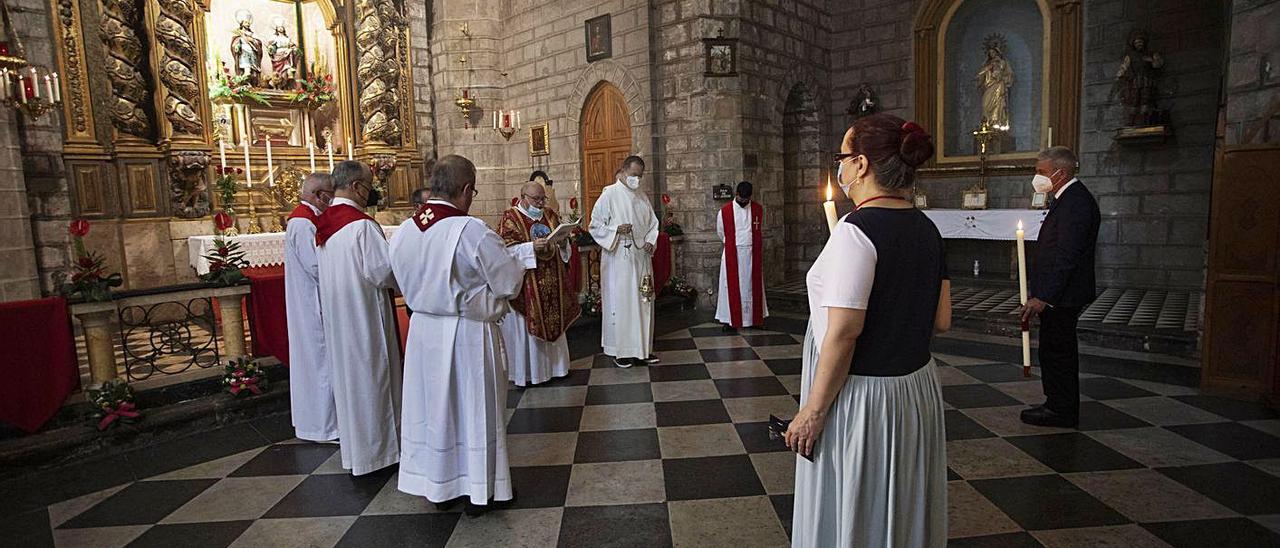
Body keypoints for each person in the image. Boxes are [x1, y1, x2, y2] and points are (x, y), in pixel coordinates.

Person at [785, 114, 950, 547]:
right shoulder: (929, 229)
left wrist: (813, 411)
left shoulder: (856, 231)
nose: (838, 167)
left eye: (842, 156)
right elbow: (942, 319)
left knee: (859, 505)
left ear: (860, 165)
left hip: (862, 396)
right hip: (913, 390)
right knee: (899, 502)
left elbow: (843, 333)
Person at [390, 155, 533, 516]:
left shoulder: (404, 230)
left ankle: (440, 487)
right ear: (466, 190)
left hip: (423, 334)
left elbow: (396, 277)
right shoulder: (470, 230)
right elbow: (508, 283)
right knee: (475, 409)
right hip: (467, 334)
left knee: (435, 410)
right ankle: (480, 490)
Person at [314, 160, 401, 475]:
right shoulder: (361, 225)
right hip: (365, 318)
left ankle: (358, 454)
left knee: (352, 385)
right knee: (373, 378)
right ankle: (382, 454)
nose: (370, 191)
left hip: (340, 319)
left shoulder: (325, 224)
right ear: (355, 186)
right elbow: (384, 272)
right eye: (368, 184)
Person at [1019, 146, 1100, 428]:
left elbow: (1066, 256)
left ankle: (1061, 409)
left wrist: (1045, 297)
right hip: (1060, 293)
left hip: (1063, 295)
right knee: (1053, 349)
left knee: (1058, 352)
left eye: (1041, 172)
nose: (1037, 177)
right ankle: (1056, 402)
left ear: (1060, 172)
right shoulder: (1065, 199)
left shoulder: (1075, 202)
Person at [499, 181, 580, 387]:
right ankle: (532, 374)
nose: (541, 203)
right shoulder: (511, 218)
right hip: (528, 284)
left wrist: (563, 243)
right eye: (536, 199)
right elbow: (504, 253)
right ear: (523, 197)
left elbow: (563, 246)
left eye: (543, 198)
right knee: (530, 327)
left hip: (553, 280)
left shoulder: (550, 215)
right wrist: (530, 247)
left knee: (555, 320)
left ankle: (558, 368)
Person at [589, 157, 660, 368]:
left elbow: (653, 224)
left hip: (641, 259)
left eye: (640, 176)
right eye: (634, 175)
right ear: (623, 171)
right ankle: (621, 352)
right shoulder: (609, 194)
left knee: (644, 303)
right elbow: (595, 225)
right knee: (623, 304)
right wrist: (615, 231)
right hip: (619, 259)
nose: (636, 180)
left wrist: (650, 240)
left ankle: (643, 350)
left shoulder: (641, 196)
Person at [285, 172, 337, 443]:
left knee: (318, 362)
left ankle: (321, 424)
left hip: (310, 300)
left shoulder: (306, 218)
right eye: (330, 192)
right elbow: (316, 266)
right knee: (320, 362)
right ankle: (324, 428)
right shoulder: (304, 222)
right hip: (312, 303)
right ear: (319, 194)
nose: (333, 198)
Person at [715, 181, 769, 331]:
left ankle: (754, 319)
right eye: (741, 199)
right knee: (730, 286)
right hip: (734, 254)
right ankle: (729, 320)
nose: (744, 202)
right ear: (736, 194)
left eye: (747, 200)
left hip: (752, 255)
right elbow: (721, 232)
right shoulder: (725, 212)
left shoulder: (757, 209)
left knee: (752, 286)